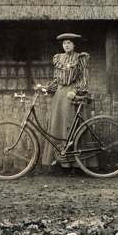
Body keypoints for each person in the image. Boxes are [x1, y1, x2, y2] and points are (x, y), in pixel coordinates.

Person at [42, 33, 90, 168]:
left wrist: (76, 91)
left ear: (74, 45)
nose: (66, 45)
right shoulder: (58, 58)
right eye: (64, 43)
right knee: (58, 124)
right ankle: (60, 161)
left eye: (69, 43)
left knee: (71, 125)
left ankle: (75, 164)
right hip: (59, 95)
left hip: (71, 94)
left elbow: (83, 77)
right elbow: (56, 78)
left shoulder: (80, 57)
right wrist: (48, 88)